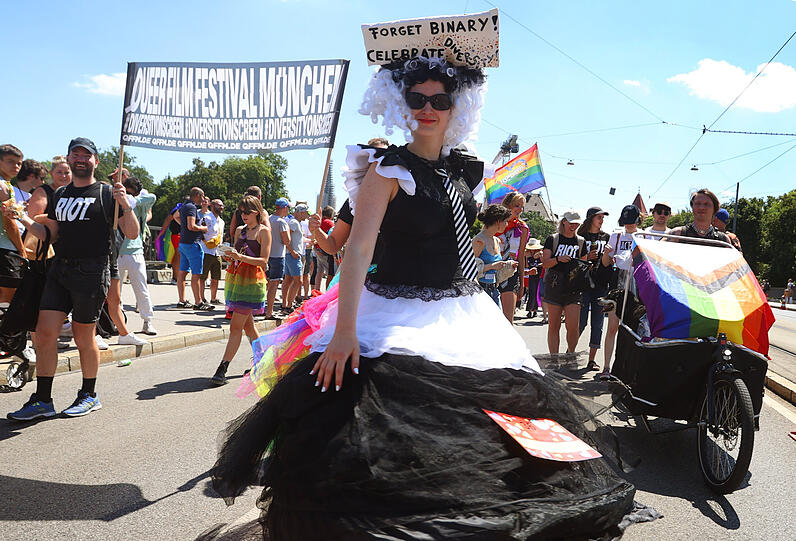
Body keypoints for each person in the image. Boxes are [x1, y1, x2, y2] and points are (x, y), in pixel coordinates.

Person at [212, 56, 633, 540]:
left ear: (458, 107)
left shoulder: (462, 172)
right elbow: (356, 252)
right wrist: (345, 331)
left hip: (466, 312)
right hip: (392, 313)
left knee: (486, 439)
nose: (428, 109)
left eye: (440, 100)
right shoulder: (387, 170)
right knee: (382, 442)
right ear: (402, 104)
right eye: (417, 99)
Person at [7, 137, 139, 420]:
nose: (80, 159)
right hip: (59, 270)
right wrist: (24, 221)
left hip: (92, 271)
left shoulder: (106, 193)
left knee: (83, 336)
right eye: (75, 154)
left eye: (86, 155)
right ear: (68, 159)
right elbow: (50, 234)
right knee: (44, 334)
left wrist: (125, 205)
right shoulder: (62, 194)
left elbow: (132, 233)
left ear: (96, 161)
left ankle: (89, 394)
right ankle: (43, 399)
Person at [210, 195, 270, 386]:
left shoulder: (264, 231)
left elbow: (263, 261)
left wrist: (239, 257)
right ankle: (264, 361)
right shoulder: (239, 231)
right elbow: (237, 256)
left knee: (235, 326)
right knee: (248, 327)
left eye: (247, 212)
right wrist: (230, 257)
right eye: (241, 212)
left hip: (253, 282)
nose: (243, 215)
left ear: (257, 213)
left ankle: (223, 368)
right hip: (236, 279)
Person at [600, 204, 641, 379]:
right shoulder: (616, 236)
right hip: (618, 286)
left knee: (633, 330)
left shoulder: (643, 236)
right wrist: (606, 254)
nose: (629, 225)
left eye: (631, 221)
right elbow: (605, 263)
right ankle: (607, 367)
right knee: (612, 327)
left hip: (637, 286)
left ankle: (629, 369)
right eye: (626, 221)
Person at [541, 210, 588, 355]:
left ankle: (571, 354)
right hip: (554, 285)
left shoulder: (581, 241)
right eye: (571, 223)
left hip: (573, 287)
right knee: (554, 326)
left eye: (576, 223)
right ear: (564, 222)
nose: (573, 226)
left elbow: (584, 264)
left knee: (573, 326)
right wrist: (558, 259)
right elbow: (545, 263)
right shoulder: (553, 239)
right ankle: (554, 358)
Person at [117, 174, 158, 336]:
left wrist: (131, 200)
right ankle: (117, 322)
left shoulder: (139, 202)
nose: (127, 195)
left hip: (135, 251)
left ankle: (147, 321)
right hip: (117, 251)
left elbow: (152, 197)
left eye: (131, 192)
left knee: (141, 289)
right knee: (114, 292)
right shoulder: (116, 200)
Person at [577, 207, 611, 370]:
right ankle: (571, 353)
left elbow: (611, 260)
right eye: (599, 217)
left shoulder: (607, 237)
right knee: (580, 322)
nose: (602, 220)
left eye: (603, 217)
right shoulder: (580, 236)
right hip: (582, 284)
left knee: (597, 324)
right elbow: (573, 259)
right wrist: (586, 257)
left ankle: (592, 360)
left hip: (601, 284)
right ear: (591, 218)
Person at [472, 204, 514, 306]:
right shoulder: (479, 241)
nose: (506, 224)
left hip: (494, 289)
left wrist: (507, 266)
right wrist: (493, 266)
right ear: (498, 221)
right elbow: (470, 269)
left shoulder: (497, 240)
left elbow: (495, 269)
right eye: (505, 221)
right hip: (480, 290)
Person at [0, 144, 26, 304]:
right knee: (8, 298)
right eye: (10, 161)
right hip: (5, 249)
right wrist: (22, 250)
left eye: (19, 163)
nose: (16, 166)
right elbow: (9, 223)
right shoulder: (3, 187)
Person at [496, 192, 529, 322]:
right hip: (492, 271)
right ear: (507, 205)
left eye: (522, 207)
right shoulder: (495, 223)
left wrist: (521, 284)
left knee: (508, 320)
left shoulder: (522, 228)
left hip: (511, 273)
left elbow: (521, 257)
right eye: (517, 205)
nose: (520, 210)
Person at [178, 187, 211, 310]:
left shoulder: (184, 206)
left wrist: (184, 229)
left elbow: (176, 217)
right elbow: (191, 226)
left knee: (182, 272)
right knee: (196, 274)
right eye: (202, 196)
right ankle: (199, 302)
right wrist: (203, 228)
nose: (203, 199)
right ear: (197, 195)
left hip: (183, 243)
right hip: (192, 243)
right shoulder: (192, 207)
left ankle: (182, 300)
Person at [265, 197, 290, 318]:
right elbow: (287, 241)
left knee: (266, 284)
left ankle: (261, 309)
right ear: (284, 208)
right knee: (274, 285)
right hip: (278, 256)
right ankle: (269, 312)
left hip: (267, 254)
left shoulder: (268, 219)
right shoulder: (281, 222)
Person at [200, 198, 225, 305]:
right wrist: (205, 241)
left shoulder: (222, 221)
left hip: (217, 252)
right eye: (219, 205)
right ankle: (202, 298)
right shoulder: (207, 218)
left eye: (222, 205)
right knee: (203, 277)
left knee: (216, 277)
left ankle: (213, 298)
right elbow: (200, 231)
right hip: (206, 251)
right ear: (212, 206)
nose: (221, 207)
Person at [155, 201, 183, 286]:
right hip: (176, 235)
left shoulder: (191, 208)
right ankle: (175, 277)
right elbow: (169, 218)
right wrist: (162, 232)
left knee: (180, 257)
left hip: (183, 236)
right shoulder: (179, 208)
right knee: (178, 256)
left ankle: (179, 277)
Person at [283, 205, 304, 309]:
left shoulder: (295, 223)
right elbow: (287, 238)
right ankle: (289, 305)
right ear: (300, 212)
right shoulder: (294, 222)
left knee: (288, 280)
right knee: (298, 281)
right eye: (306, 213)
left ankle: (286, 304)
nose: (307, 215)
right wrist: (292, 251)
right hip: (293, 255)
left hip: (291, 254)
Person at [311, 205, 336, 291]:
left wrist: (315, 248)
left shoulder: (317, 222)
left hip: (317, 249)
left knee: (319, 271)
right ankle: (327, 291)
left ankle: (316, 290)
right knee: (330, 273)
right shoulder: (330, 223)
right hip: (325, 250)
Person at [524, 238, 543, 317]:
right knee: (532, 292)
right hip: (531, 275)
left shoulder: (540, 254)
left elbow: (544, 263)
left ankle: (535, 310)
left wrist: (539, 261)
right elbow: (526, 265)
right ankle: (529, 310)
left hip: (539, 275)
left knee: (537, 293)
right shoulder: (528, 255)